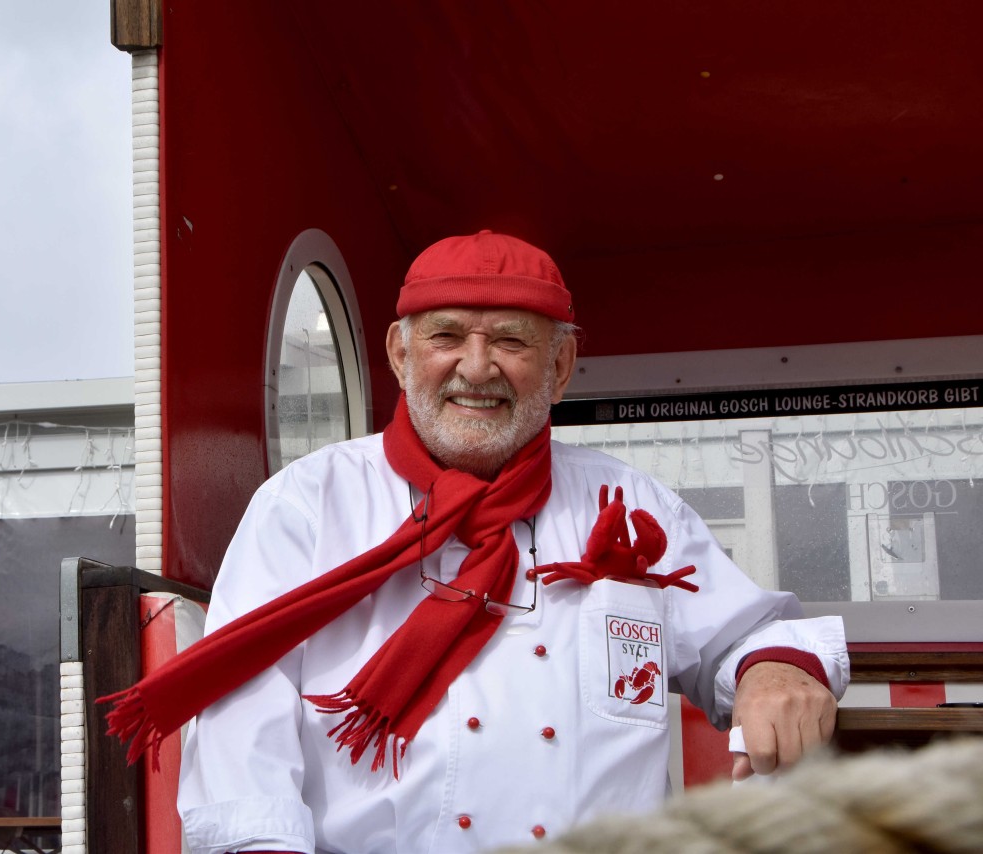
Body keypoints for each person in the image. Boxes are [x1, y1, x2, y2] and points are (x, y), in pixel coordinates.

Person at [102, 230, 848, 853]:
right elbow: (241, 711)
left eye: (513, 342)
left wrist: (770, 670)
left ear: (559, 369)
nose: (477, 366)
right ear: (400, 354)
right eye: (448, 336)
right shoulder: (307, 505)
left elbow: (745, 635)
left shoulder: (629, 506)